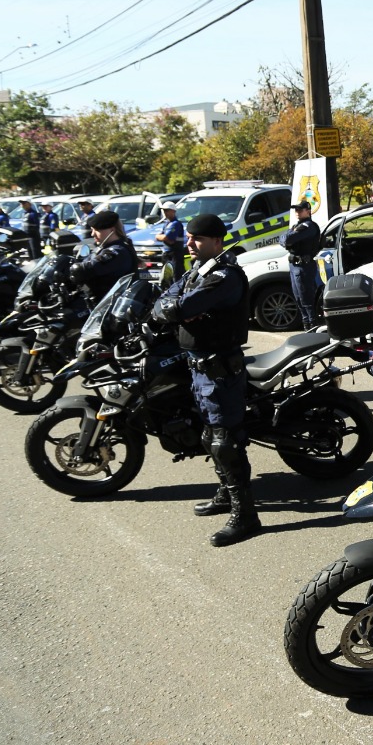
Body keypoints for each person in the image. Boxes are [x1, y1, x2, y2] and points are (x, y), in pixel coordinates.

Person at [151, 213, 257, 547]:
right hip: (198, 368)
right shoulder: (199, 271)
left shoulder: (225, 276)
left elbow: (182, 306)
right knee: (210, 436)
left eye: (196, 239)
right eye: (188, 237)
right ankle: (226, 494)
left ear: (215, 240)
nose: (189, 243)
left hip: (220, 371)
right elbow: (166, 301)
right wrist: (176, 307)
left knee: (226, 443)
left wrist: (179, 308)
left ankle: (246, 516)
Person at [69, 210, 141, 304]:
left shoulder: (117, 251)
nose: (92, 234)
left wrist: (75, 269)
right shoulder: (105, 247)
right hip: (101, 302)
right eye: (92, 229)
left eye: (97, 230)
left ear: (111, 230)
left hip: (109, 305)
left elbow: (89, 267)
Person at [282, 200, 323, 329]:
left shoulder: (308, 226)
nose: (297, 212)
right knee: (299, 299)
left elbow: (287, 239)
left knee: (307, 300)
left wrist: (287, 239)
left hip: (304, 267)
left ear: (308, 211)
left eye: (300, 210)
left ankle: (312, 328)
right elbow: (282, 239)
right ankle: (307, 326)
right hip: (295, 266)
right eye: (296, 210)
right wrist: (287, 238)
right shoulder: (296, 226)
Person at [153, 201, 186, 284]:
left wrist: (162, 237)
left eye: (167, 210)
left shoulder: (176, 224)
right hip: (167, 254)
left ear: (173, 211)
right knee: (167, 277)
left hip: (175, 254)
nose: (165, 213)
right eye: (164, 211)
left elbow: (166, 238)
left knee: (176, 276)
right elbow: (161, 237)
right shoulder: (167, 224)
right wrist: (161, 237)